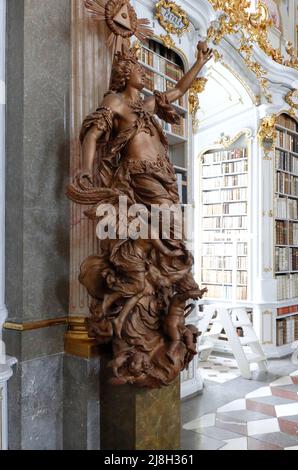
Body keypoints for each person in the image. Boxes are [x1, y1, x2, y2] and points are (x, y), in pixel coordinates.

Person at [66, 40, 211, 388]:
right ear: (124, 74)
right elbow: (93, 133)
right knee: (164, 238)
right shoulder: (114, 101)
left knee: (169, 236)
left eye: (146, 69)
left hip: (163, 177)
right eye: (139, 69)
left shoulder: (147, 106)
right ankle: (139, 309)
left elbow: (177, 90)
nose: (145, 73)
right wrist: (86, 170)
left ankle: (161, 293)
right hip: (138, 178)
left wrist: (199, 62)